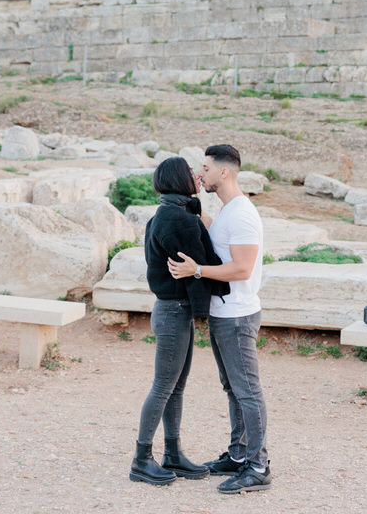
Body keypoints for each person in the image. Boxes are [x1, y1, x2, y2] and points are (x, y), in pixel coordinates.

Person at [168, 143, 270, 494]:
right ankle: (239, 455)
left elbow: (242, 268)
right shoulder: (228, 210)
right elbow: (219, 239)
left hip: (238, 316)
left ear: (223, 172)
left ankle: (257, 466)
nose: (202, 173)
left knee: (247, 392)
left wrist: (197, 271)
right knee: (233, 388)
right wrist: (195, 211)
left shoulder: (242, 213)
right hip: (224, 312)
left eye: (206, 168)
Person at [130, 155, 229, 487]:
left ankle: (172, 454)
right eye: (191, 171)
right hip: (174, 310)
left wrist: (199, 213)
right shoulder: (180, 220)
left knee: (175, 387)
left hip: (170, 309)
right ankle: (141, 460)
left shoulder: (168, 212)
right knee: (163, 387)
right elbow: (207, 262)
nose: (197, 175)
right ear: (178, 179)